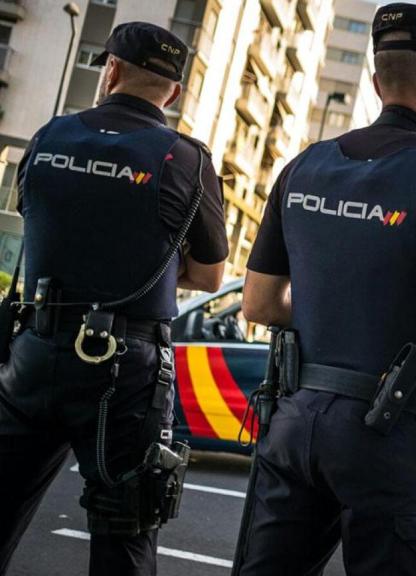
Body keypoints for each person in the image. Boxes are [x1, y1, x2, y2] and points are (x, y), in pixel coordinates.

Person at [237, 4, 416, 575]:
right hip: (390, 439)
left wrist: (324, 310)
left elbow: (260, 303)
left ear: (375, 78)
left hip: (294, 422)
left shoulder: (304, 166)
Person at [0, 22, 226, 575]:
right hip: (124, 373)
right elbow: (210, 274)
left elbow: (39, 226)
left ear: (111, 71)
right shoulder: (187, 159)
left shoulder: (50, 136)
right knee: (124, 538)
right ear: (172, 92)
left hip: (33, 352)